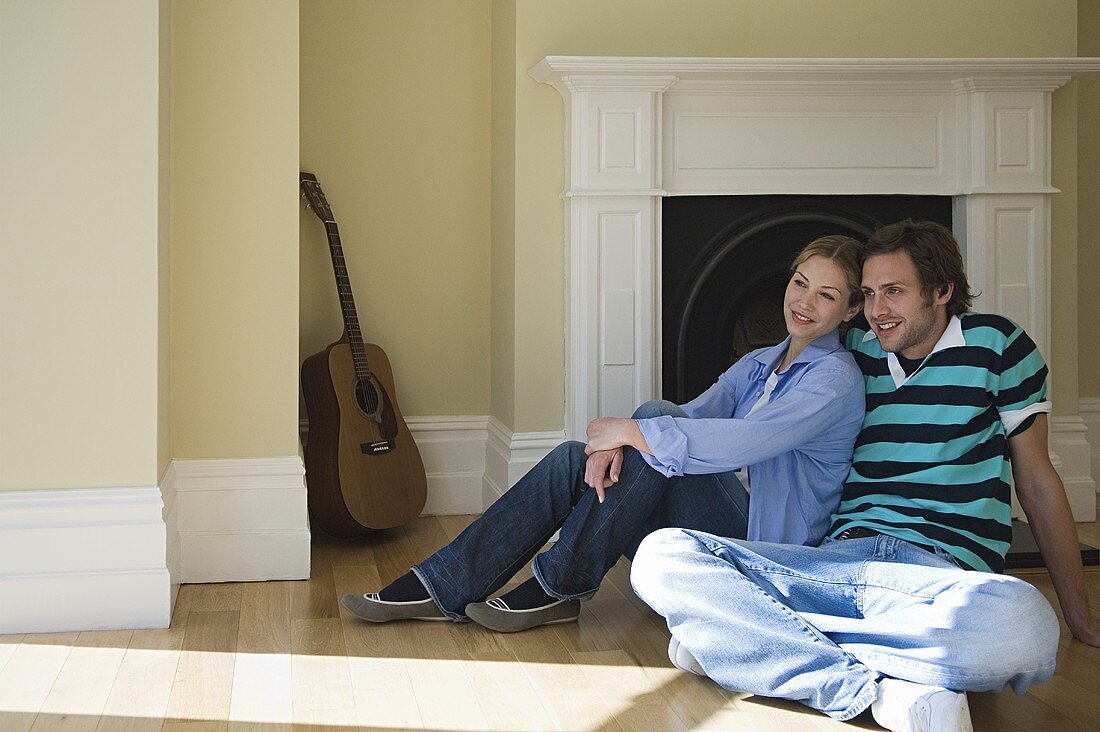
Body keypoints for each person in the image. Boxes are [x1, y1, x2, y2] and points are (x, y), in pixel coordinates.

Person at [631, 219, 1100, 732]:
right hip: (834, 562)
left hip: (939, 577)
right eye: (870, 294)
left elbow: (1036, 483)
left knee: (1027, 624)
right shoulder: (854, 350)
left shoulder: (998, 346)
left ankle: (748, 643)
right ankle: (873, 692)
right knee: (661, 558)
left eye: (894, 292)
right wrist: (645, 430)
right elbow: (774, 379)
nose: (877, 311)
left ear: (942, 291)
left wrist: (1080, 618)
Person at [341, 235, 866, 632]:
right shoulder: (760, 362)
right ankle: (446, 586)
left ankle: (559, 585)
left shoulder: (834, 380)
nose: (804, 302)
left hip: (761, 548)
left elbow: (746, 442)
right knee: (584, 454)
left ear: (852, 308)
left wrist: (632, 431)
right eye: (800, 283)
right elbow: (690, 415)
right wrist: (614, 442)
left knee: (651, 420)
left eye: (827, 296)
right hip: (713, 519)